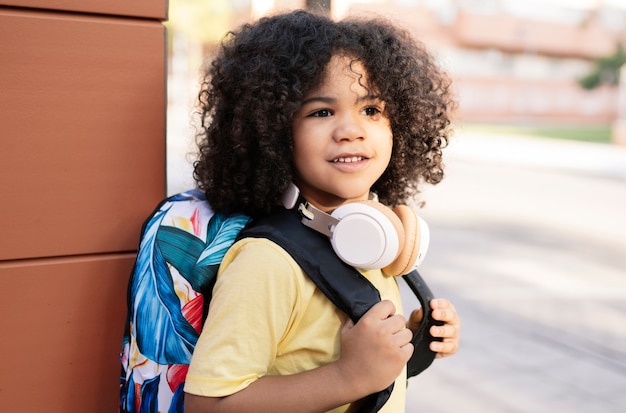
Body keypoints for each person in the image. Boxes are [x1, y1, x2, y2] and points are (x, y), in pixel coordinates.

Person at [184, 9, 460, 413]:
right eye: (321, 112)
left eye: (371, 110)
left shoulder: (370, 242)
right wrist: (349, 377)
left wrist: (409, 341)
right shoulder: (268, 263)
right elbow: (208, 406)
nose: (351, 129)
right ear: (274, 131)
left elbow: (329, 359)